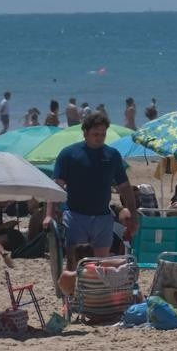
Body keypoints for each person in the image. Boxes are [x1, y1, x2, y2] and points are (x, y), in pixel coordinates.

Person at [52, 111, 137, 264]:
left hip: (103, 218)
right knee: (75, 263)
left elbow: (124, 187)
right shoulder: (69, 154)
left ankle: (94, 288)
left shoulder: (112, 155)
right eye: (95, 134)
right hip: (76, 216)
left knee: (100, 264)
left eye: (103, 134)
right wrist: (49, 214)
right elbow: (56, 187)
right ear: (85, 133)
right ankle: (73, 288)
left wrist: (134, 214)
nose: (99, 138)